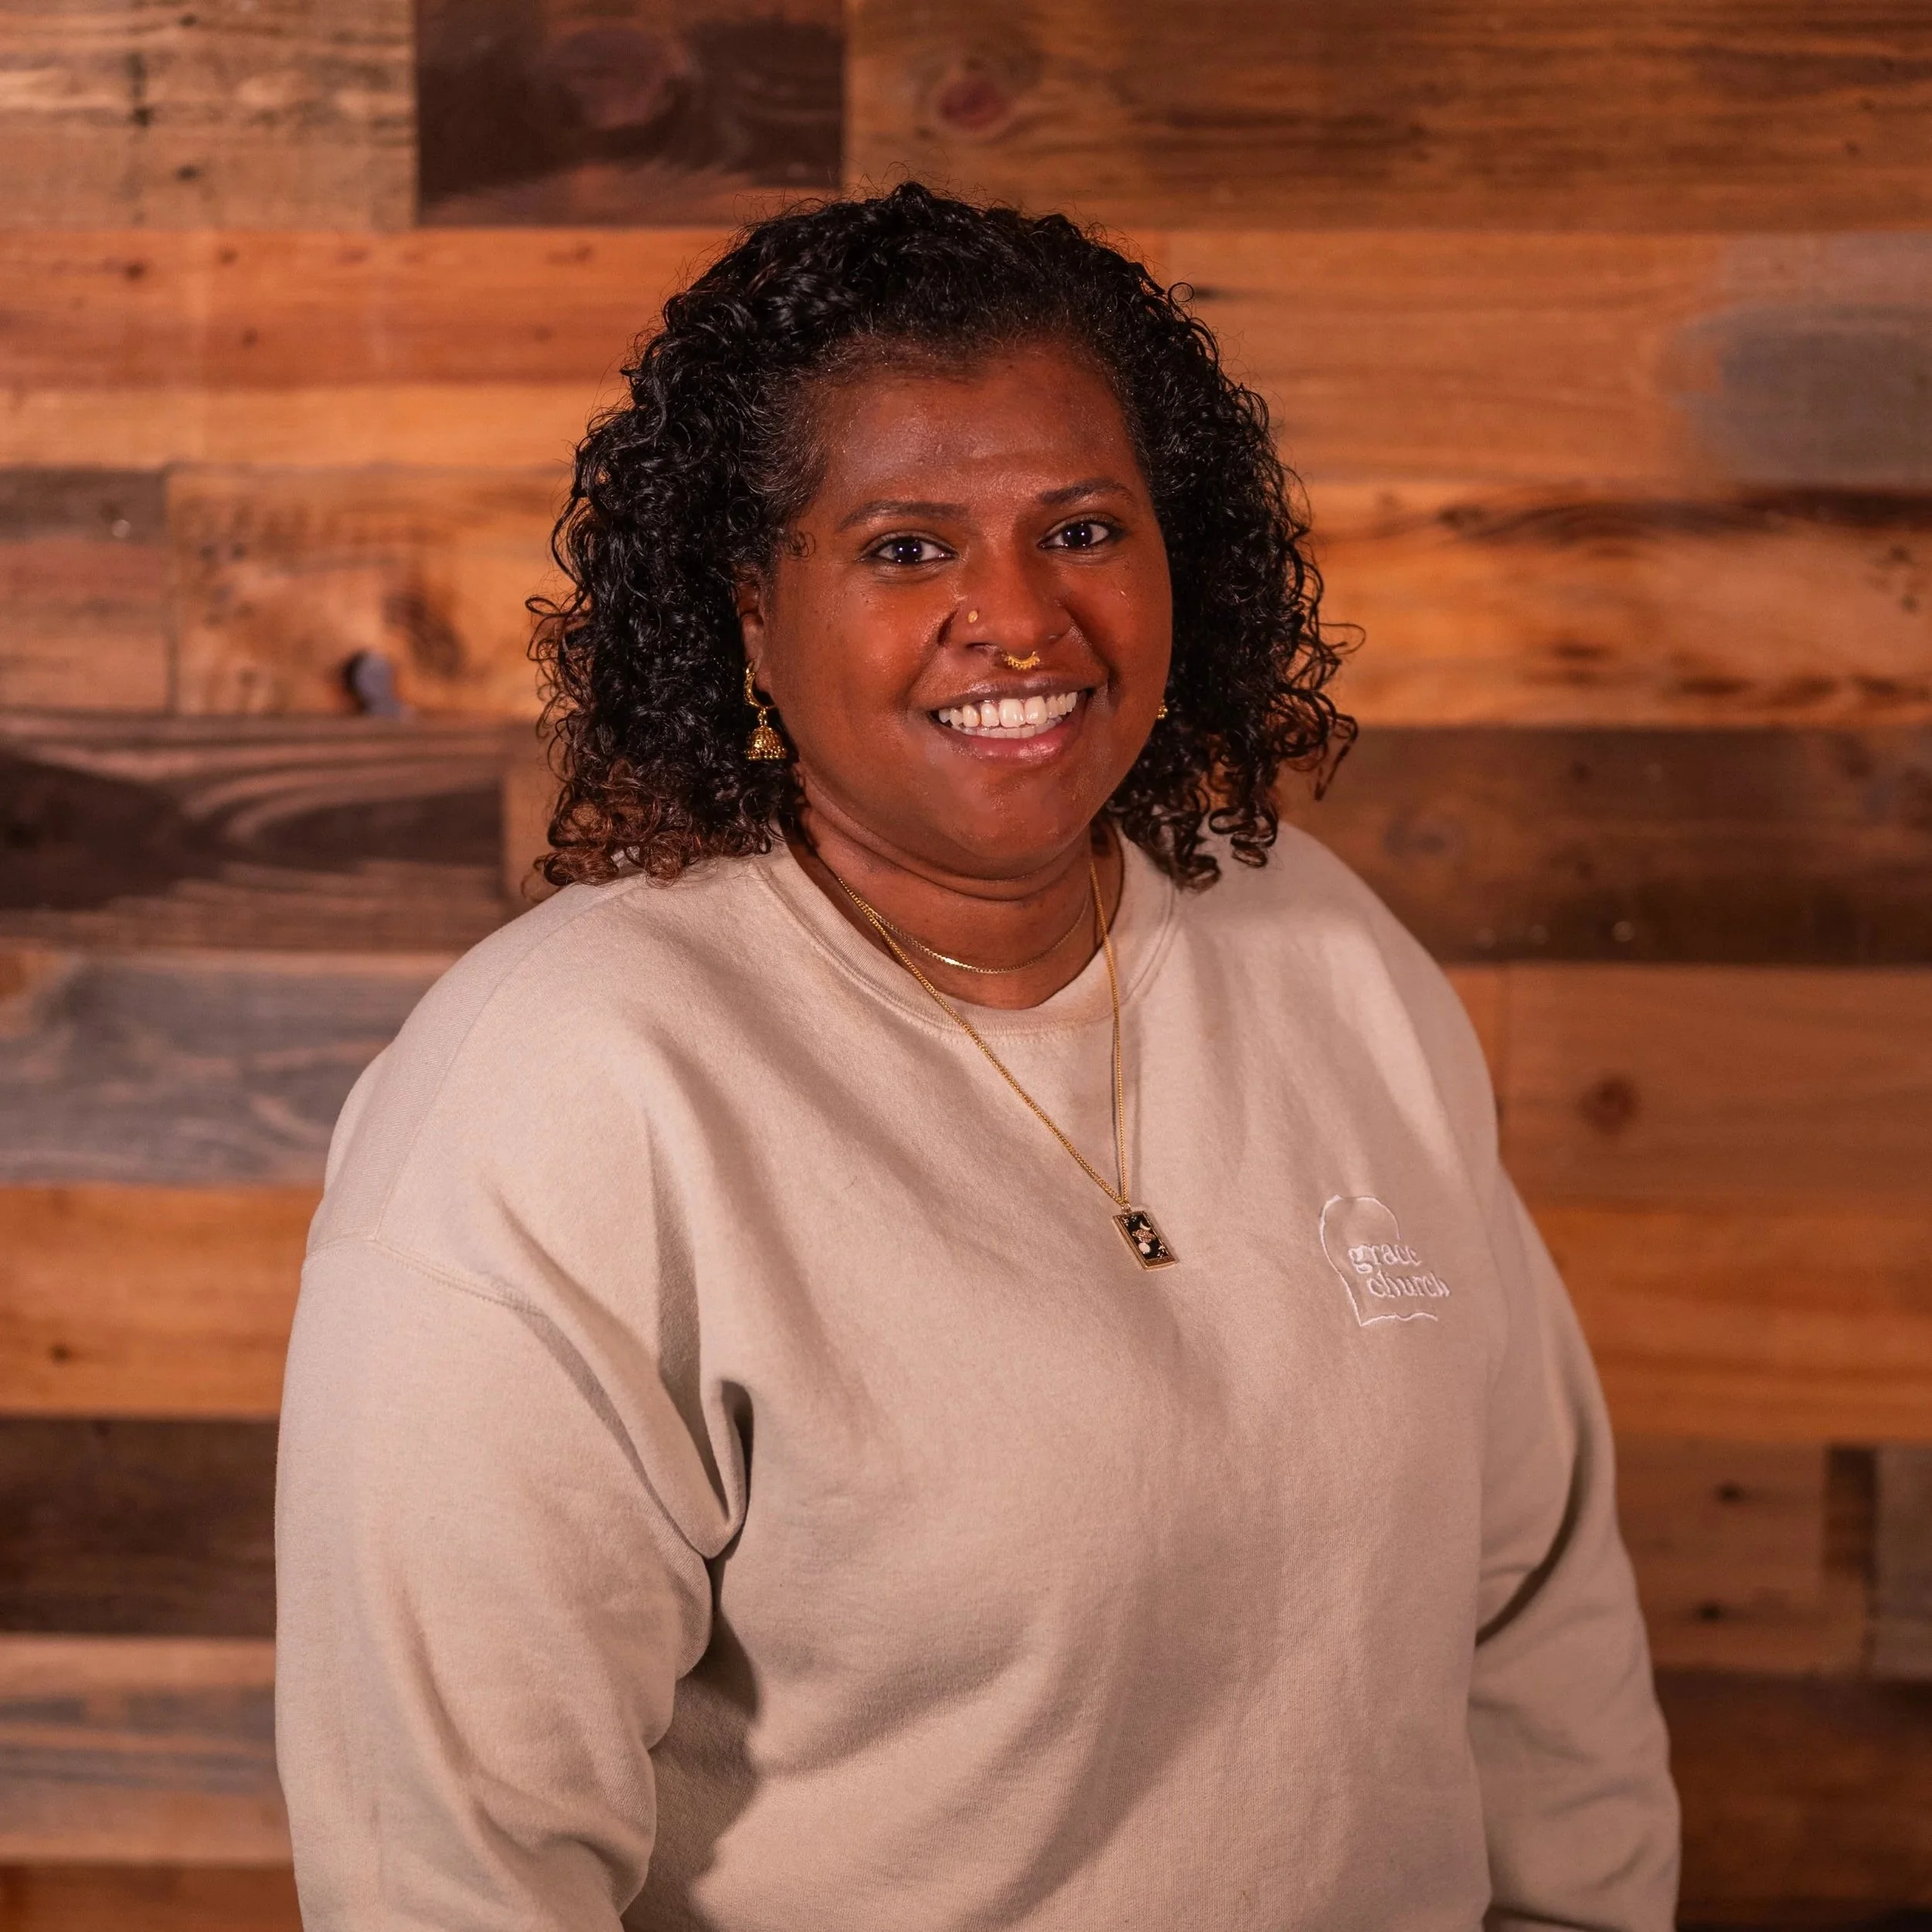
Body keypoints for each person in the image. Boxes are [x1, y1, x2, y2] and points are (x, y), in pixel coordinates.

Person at [275, 184, 1678, 1930]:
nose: (1017, 620)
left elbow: (1537, 1616)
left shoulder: (1327, 955)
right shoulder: (565, 1088)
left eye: (1080, 529)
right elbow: (448, 1867)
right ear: (749, 609)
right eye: (905, 548)